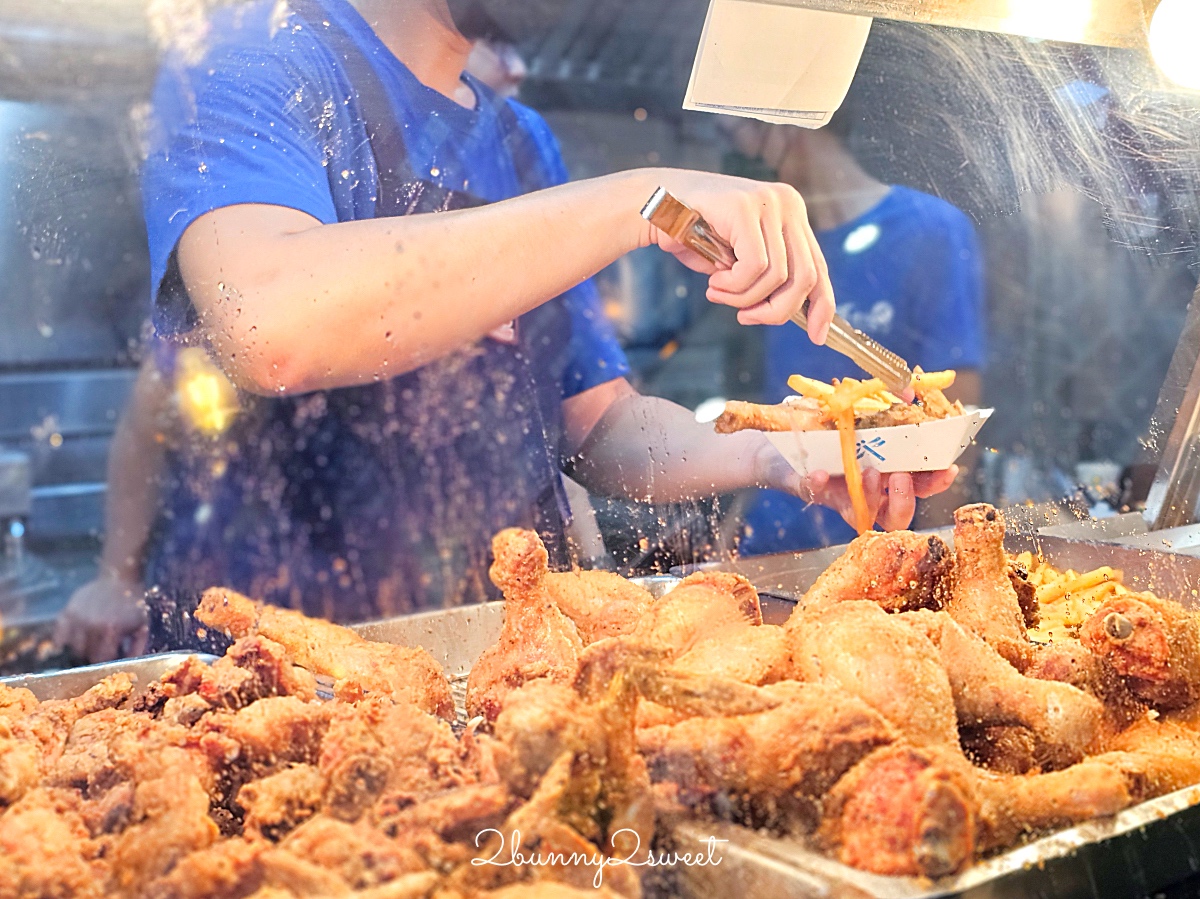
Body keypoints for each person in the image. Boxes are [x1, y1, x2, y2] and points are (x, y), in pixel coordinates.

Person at [56, 0, 955, 661]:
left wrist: (781, 456)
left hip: (500, 670)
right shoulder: (252, 54)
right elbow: (269, 322)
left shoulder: (521, 144)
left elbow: (602, 426)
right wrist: (640, 200)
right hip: (275, 682)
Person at [723, 115, 985, 555]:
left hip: (884, 547)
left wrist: (943, 555)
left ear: (791, 126)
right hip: (773, 541)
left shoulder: (929, 230)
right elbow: (779, 416)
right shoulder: (778, 254)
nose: (743, 158)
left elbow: (956, 412)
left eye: (740, 135)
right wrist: (736, 518)